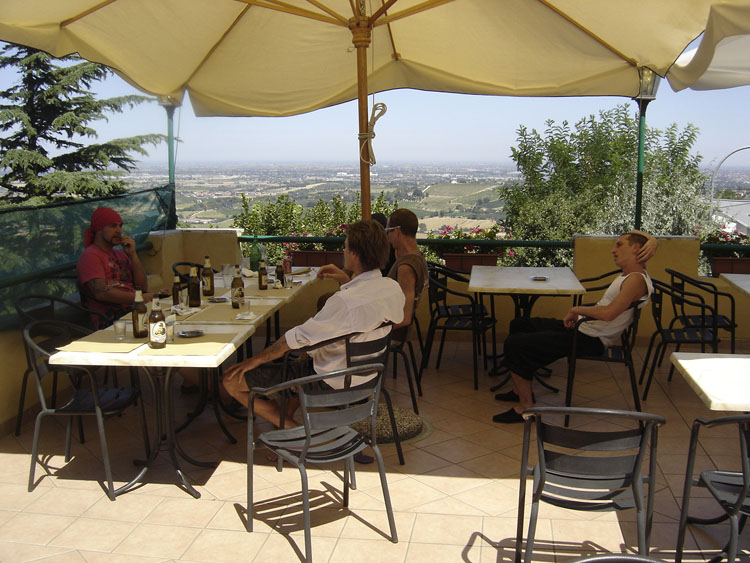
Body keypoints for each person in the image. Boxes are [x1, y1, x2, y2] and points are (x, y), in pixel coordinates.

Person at [222, 219, 405, 430]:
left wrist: (254, 360)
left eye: (346, 247)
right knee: (305, 355)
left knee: (231, 380)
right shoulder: (392, 289)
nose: (344, 252)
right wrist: (345, 281)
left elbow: (292, 340)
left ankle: (293, 431)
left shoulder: (343, 302)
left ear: (354, 254)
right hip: (369, 376)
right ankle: (284, 417)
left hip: (331, 380)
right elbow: (363, 305)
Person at [492, 230, 657, 424]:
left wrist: (576, 309)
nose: (613, 250)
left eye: (619, 245)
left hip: (591, 340)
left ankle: (525, 409)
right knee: (520, 324)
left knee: (515, 344)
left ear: (636, 248)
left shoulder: (636, 280)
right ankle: (519, 389)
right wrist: (653, 241)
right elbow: (635, 233)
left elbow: (609, 313)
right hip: (583, 329)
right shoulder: (630, 275)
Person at [318, 208, 428, 331]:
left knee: (330, 303)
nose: (386, 237)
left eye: (387, 231)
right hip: (379, 318)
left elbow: (404, 317)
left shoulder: (406, 267)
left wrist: (369, 333)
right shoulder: (416, 257)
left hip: (384, 331)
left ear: (396, 232)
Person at [77, 207, 152, 329]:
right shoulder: (91, 256)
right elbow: (101, 293)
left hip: (134, 310)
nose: (119, 231)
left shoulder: (119, 254)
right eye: (113, 226)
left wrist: (133, 255)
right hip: (112, 319)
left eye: (120, 226)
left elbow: (143, 287)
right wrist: (139, 298)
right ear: (99, 229)